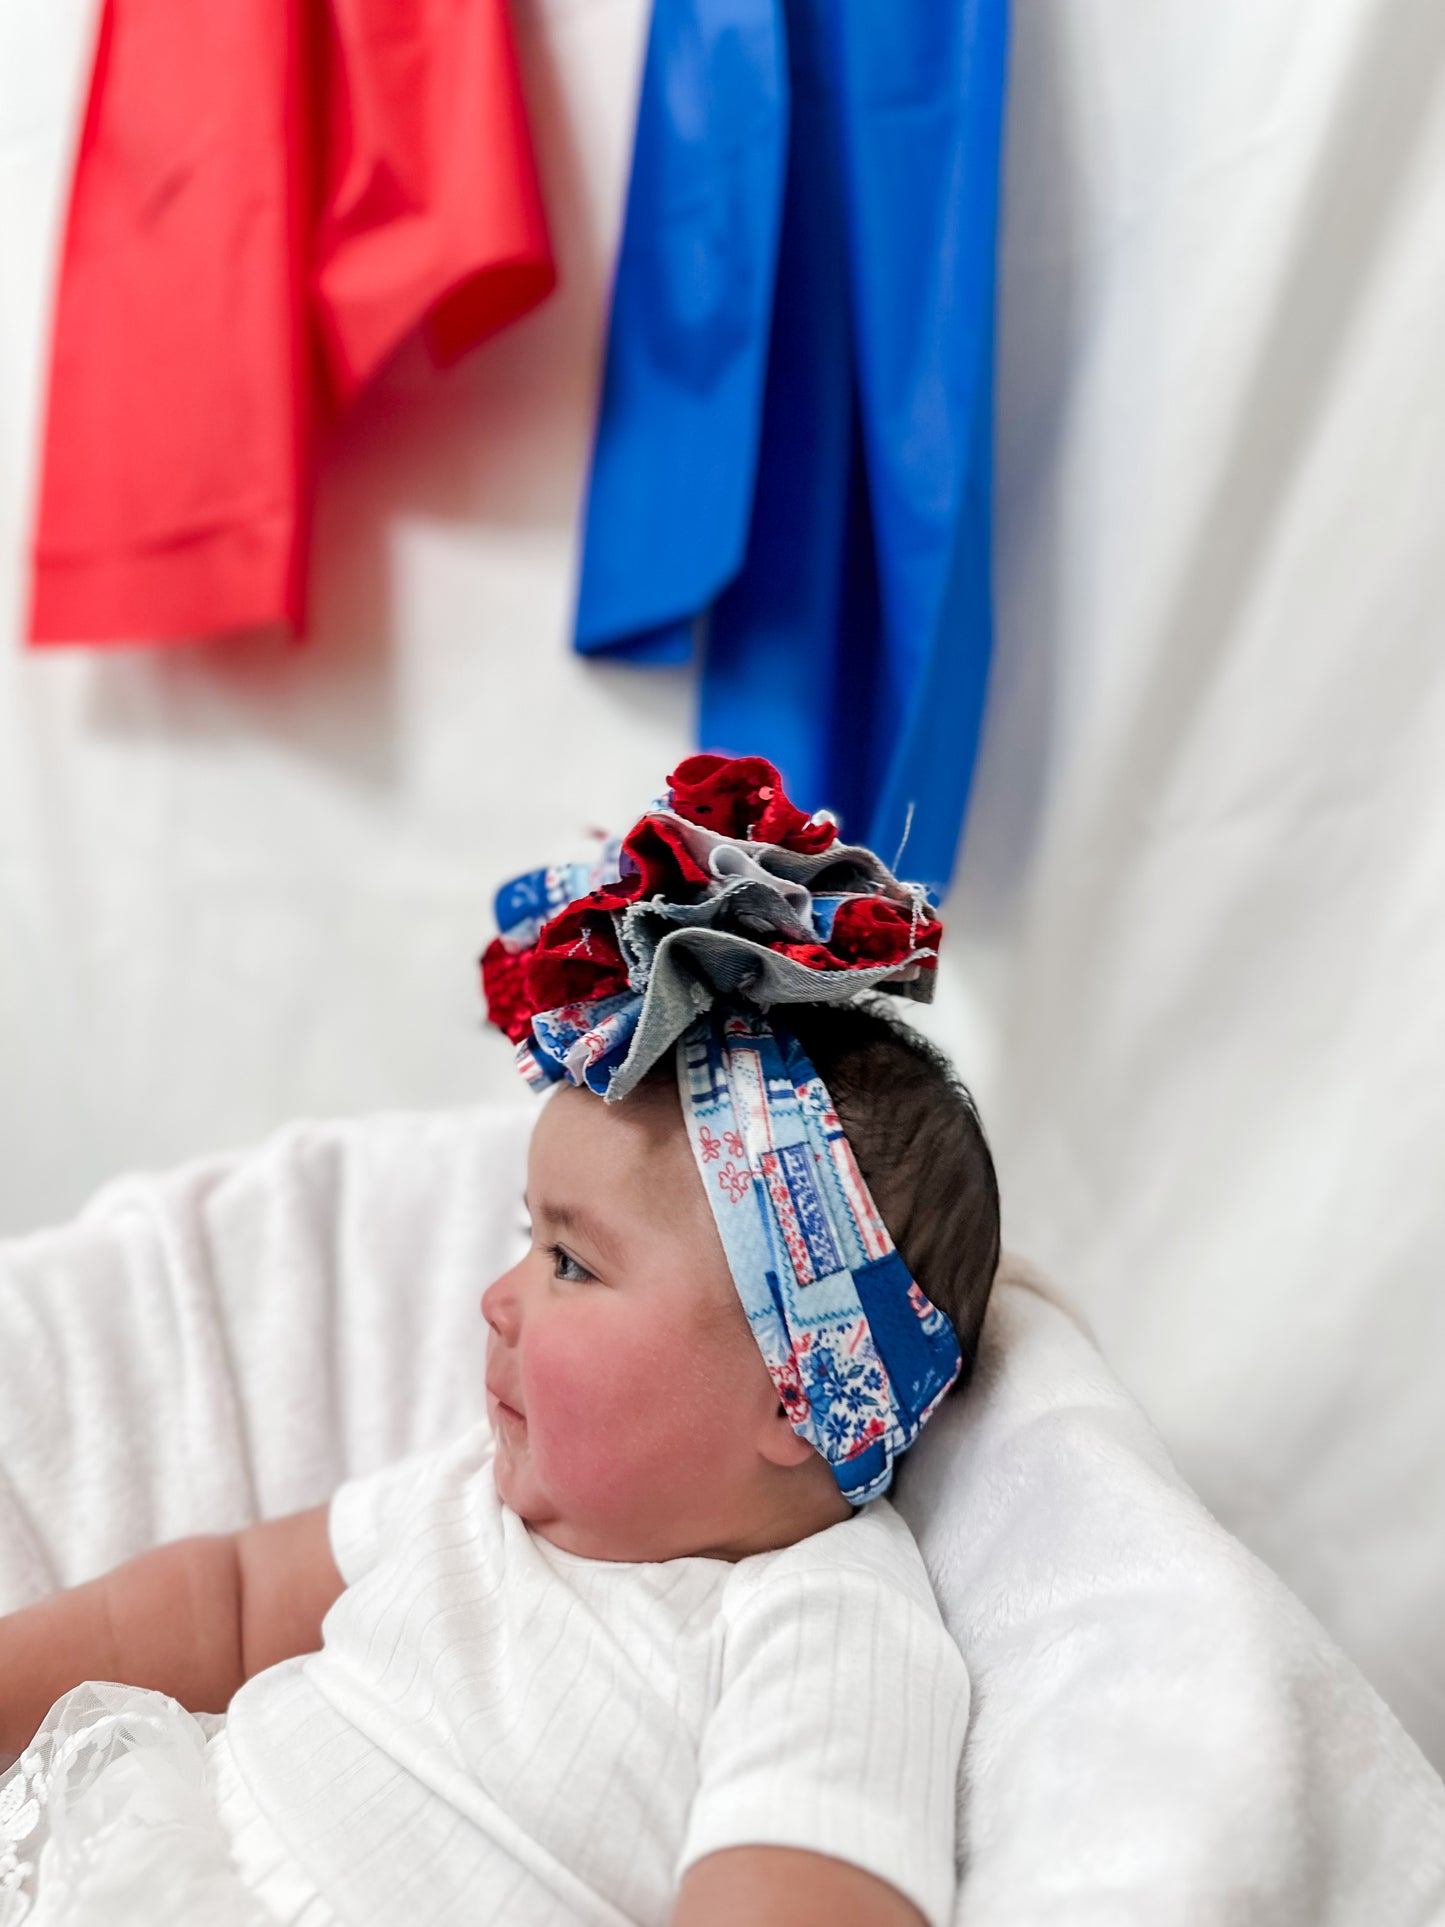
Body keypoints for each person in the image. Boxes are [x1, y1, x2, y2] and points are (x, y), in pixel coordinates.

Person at [0, 758, 1000, 1927]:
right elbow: (221, 1603)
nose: (496, 1297)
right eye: (530, 1241)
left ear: (799, 1389)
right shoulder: (471, 1499)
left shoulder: (821, 1624)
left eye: (569, 1262)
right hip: (148, 1861)